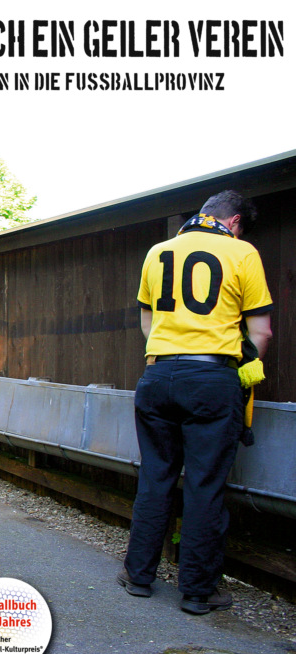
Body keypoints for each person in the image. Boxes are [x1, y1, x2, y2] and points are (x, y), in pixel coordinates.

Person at [117, 190, 273, 614]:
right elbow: (261, 331)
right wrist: (246, 368)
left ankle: (138, 576)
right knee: (205, 484)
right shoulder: (242, 253)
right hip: (212, 378)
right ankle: (198, 592)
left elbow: (147, 323)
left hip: (158, 375)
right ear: (235, 222)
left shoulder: (158, 251)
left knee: (156, 476)